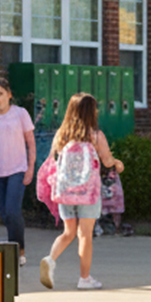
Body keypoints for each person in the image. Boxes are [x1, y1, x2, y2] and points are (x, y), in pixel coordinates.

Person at [38, 93, 124, 291]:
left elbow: (53, 159)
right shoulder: (95, 135)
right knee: (85, 235)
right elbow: (107, 161)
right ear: (90, 111)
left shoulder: (62, 134)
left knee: (68, 232)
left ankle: (50, 259)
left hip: (66, 191)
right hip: (88, 193)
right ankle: (84, 279)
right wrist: (117, 164)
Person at [0, 77, 35, 265]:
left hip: (17, 170)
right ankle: (13, 248)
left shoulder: (20, 114)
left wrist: (31, 167)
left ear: (9, 95)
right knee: (5, 214)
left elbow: (30, 142)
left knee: (12, 211)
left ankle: (20, 250)